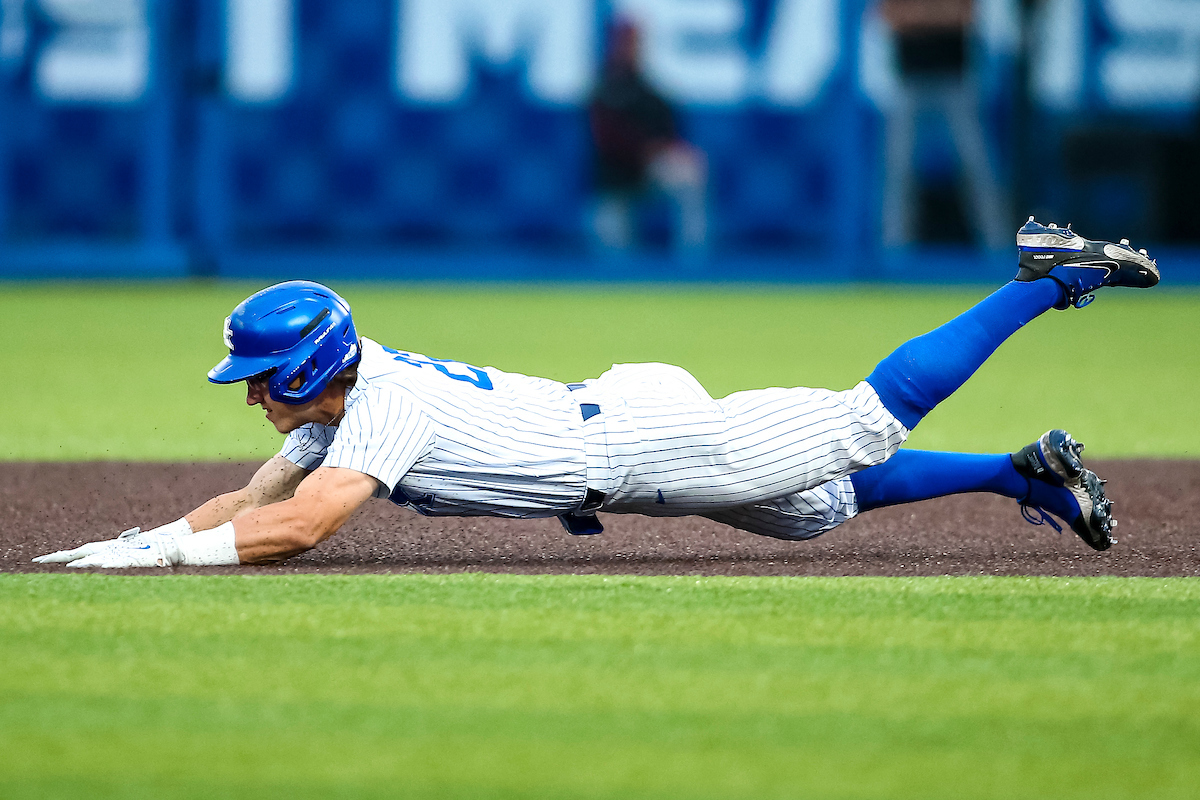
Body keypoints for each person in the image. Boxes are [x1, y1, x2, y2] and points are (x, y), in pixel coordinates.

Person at [34, 218, 1160, 569]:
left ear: (309, 367)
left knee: (862, 423)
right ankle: (1024, 469)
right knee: (820, 507)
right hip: (615, 431)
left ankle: (1044, 279)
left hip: (645, 442)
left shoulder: (380, 407)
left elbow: (307, 523)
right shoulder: (344, 400)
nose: (250, 398)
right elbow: (254, 494)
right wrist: (140, 543)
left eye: (258, 378)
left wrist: (174, 559)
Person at [879, 0, 1010, 250]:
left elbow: (965, 16)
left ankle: (998, 249)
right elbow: (890, 17)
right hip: (909, 77)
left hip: (954, 78)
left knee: (976, 166)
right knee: (899, 168)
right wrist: (938, 15)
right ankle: (893, 252)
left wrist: (918, 16)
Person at [587, 18, 708, 261]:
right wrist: (642, 149)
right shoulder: (603, 88)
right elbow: (605, 137)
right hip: (615, 176)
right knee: (612, 253)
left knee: (690, 169)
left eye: (634, 42)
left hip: (652, 170)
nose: (629, 48)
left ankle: (693, 262)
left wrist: (663, 148)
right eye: (624, 41)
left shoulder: (648, 89)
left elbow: (668, 128)